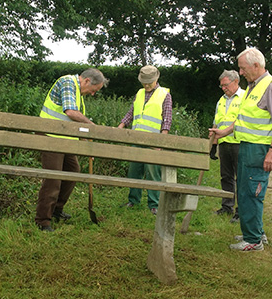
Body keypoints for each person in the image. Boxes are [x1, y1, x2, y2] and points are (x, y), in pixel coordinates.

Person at [210, 48, 272, 252]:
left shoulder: (271, 87)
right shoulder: (254, 87)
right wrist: (223, 132)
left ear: (256, 65)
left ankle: (253, 241)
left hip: (259, 150)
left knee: (252, 192)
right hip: (246, 146)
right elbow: (242, 119)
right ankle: (255, 232)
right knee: (245, 191)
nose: (241, 73)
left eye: (243, 69)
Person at [35, 68, 108, 232]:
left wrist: (86, 143)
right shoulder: (68, 82)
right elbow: (71, 113)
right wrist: (93, 127)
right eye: (94, 90)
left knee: (73, 171)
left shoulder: (77, 93)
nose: (93, 94)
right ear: (87, 81)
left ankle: (56, 210)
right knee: (53, 179)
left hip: (64, 139)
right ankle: (42, 220)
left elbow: (74, 125)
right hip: (51, 136)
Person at [118, 65, 172, 215]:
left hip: (153, 142)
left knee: (153, 173)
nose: (146, 85)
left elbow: (167, 119)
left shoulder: (164, 94)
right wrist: (121, 126)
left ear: (156, 79)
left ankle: (154, 204)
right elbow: (131, 112)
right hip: (136, 138)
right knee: (134, 171)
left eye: (149, 82)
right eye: (144, 82)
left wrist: (161, 141)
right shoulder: (140, 93)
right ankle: (133, 200)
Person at [211, 70, 245, 223]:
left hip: (239, 142)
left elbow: (241, 121)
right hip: (224, 143)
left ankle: (241, 211)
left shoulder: (245, 97)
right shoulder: (221, 100)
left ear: (236, 81)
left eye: (226, 85)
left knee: (241, 178)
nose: (223, 88)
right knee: (226, 177)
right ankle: (226, 207)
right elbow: (216, 122)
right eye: (221, 86)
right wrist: (213, 144)